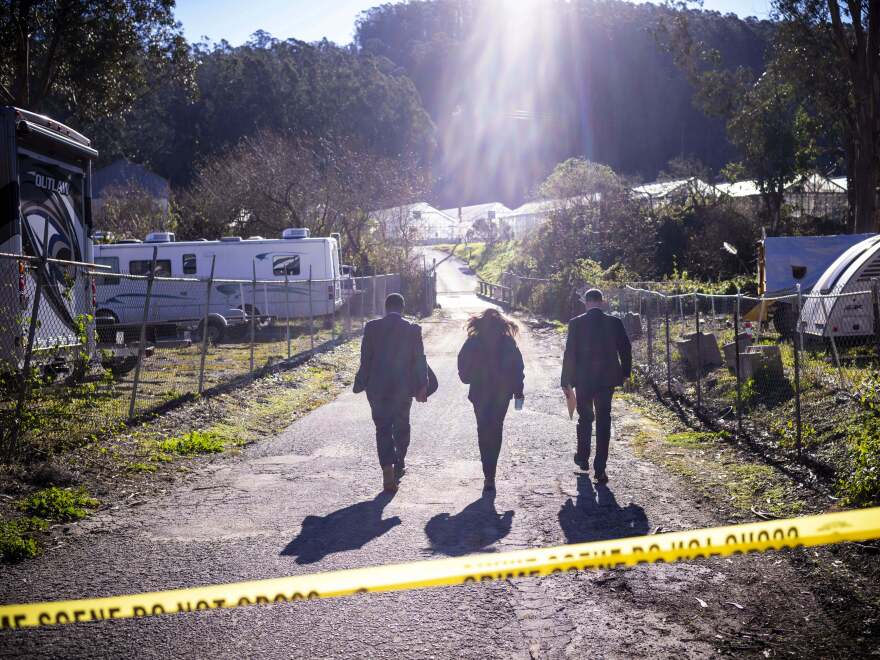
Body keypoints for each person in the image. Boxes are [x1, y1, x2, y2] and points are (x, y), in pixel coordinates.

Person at [354, 293, 429, 492]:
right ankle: (399, 463)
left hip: (377, 388)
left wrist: (360, 382)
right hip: (403, 388)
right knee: (402, 426)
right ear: (402, 308)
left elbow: (366, 359)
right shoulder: (413, 329)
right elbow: (420, 359)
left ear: (386, 308)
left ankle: (388, 470)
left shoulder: (372, 328)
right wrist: (423, 385)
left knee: (383, 428)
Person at [560, 288, 632, 483]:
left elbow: (570, 353)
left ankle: (583, 458)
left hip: (583, 380)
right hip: (607, 380)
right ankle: (600, 469)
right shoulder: (614, 323)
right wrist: (626, 372)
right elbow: (625, 348)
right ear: (602, 302)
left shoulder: (576, 324)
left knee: (585, 418)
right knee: (603, 420)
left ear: (586, 302)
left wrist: (565, 380)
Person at [457, 308, 525, 492]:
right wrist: (518, 392)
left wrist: (468, 377)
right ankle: (491, 475)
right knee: (496, 428)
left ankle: (487, 472)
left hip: (479, 392)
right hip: (502, 394)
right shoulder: (508, 342)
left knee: (483, 429)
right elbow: (518, 368)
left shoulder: (473, 341)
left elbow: (462, 362)